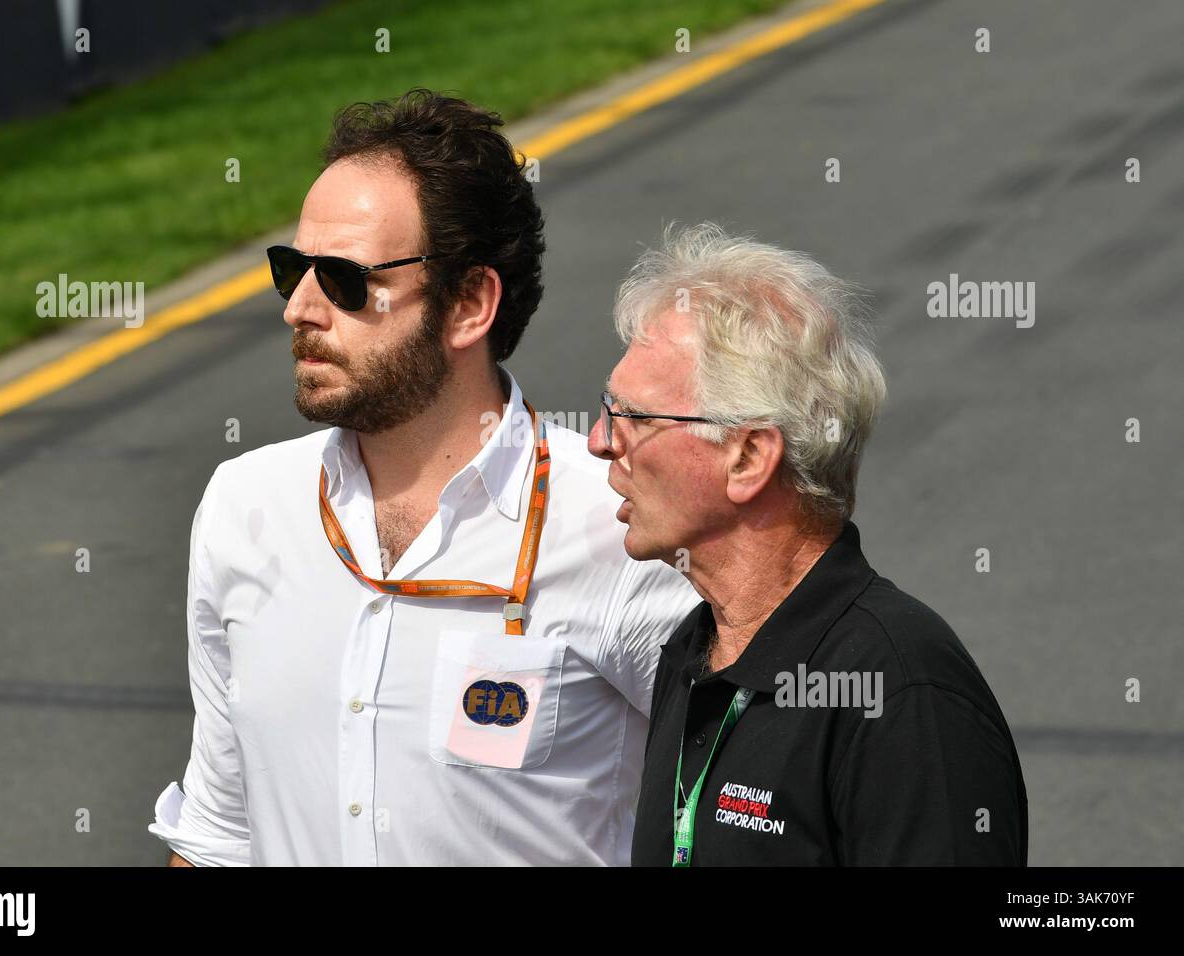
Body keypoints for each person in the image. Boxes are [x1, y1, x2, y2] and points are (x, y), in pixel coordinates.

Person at [148, 89, 698, 866]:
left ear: (469, 303)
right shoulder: (244, 509)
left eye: (340, 278)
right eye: (290, 269)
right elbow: (218, 835)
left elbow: (736, 812)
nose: (299, 308)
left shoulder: (618, 527)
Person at [588, 223, 1027, 866]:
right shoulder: (691, 651)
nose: (600, 439)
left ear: (748, 457)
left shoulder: (903, 693)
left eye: (634, 417)